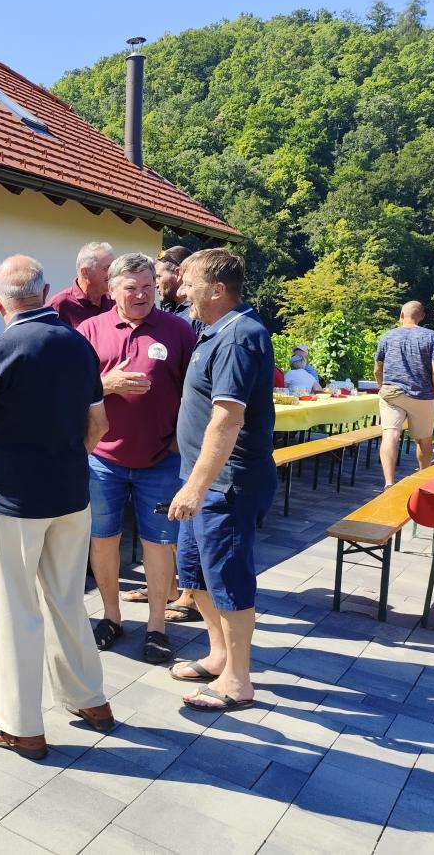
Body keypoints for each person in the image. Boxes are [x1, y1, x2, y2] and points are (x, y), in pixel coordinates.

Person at [0, 255, 115, 757]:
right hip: (71, 494)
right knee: (67, 599)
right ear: (44, 291)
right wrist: (67, 459)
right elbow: (99, 424)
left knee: (16, 610)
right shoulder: (78, 344)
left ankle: (19, 725)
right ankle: (90, 699)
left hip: (15, 501)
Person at [167, 249, 275, 713]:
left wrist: (195, 486)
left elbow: (228, 419)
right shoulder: (215, 331)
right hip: (203, 481)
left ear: (216, 289)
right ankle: (218, 656)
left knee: (228, 578)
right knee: (197, 575)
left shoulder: (238, 337)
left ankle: (237, 680)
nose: (181, 290)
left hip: (225, 484)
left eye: (188, 283)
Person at [77, 253, 196, 663]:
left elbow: (194, 391)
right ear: (112, 290)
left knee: (159, 543)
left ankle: (157, 626)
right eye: (131, 288)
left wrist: (180, 442)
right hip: (102, 459)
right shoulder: (89, 330)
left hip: (161, 459)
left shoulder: (178, 330)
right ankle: (111, 616)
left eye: (148, 286)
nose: (142, 294)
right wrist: (105, 384)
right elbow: (71, 390)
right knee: (103, 539)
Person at [375, 301, 434, 486]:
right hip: (422, 394)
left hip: (392, 394)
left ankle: (389, 483)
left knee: (390, 435)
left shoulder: (387, 336)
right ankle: (424, 481)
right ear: (422, 317)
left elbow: (377, 369)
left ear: (401, 315)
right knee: (424, 439)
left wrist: (381, 387)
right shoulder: (431, 336)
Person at [47, 242, 115, 328]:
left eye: (114, 268)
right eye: (107, 268)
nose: (113, 273)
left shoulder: (115, 300)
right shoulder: (59, 304)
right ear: (85, 272)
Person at [155, 246, 191, 316]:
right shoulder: (168, 308)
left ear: (178, 273)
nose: (155, 284)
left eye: (158, 276)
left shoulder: (197, 315)